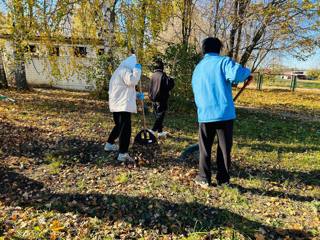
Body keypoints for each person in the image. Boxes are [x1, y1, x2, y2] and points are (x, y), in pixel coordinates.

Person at [192, 37, 252, 187]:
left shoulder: (198, 67)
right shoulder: (223, 62)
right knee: (224, 149)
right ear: (219, 49)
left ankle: (203, 178)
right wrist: (247, 73)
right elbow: (238, 74)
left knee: (205, 148)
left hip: (205, 114)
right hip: (223, 113)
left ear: (204, 49)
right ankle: (223, 180)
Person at [104, 53, 143, 162]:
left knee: (118, 126)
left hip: (117, 104)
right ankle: (123, 153)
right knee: (125, 129)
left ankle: (109, 144)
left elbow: (122, 90)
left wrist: (136, 95)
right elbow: (132, 81)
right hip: (123, 105)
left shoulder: (118, 72)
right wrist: (137, 70)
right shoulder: (125, 70)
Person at [148, 58, 174, 137]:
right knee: (160, 116)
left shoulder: (153, 75)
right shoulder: (163, 75)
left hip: (153, 98)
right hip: (161, 99)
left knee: (158, 115)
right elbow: (169, 86)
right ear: (162, 67)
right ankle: (152, 130)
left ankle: (160, 132)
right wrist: (172, 79)